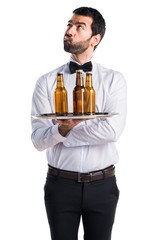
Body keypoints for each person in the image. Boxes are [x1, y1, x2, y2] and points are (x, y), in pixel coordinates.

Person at [31, 6, 127, 240]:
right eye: (69, 25)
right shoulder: (46, 82)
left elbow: (112, 131)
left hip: (103, 186)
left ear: (95, 38)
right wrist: (64, 130)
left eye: (78, 27)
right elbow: (37, 140)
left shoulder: (114, 80)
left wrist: (62, 132)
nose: (69, 31)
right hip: (60, 185)